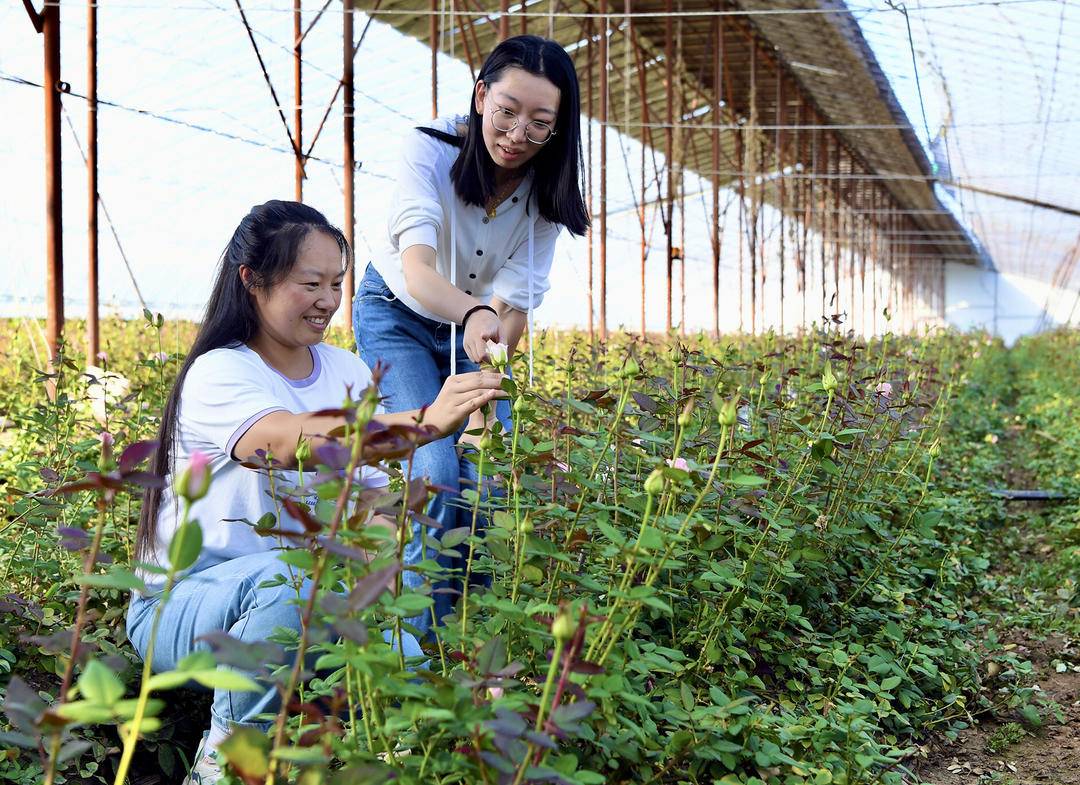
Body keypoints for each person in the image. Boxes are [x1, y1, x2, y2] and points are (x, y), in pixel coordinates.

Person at [127, 200, 504, 784]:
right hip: (181, 609)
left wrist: (386, 608)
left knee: (408, 662)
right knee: (291, 581)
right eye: (311, 283)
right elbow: (284, 442)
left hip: (300, 599)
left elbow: (374, 508)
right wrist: (421, 423)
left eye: (336, 283)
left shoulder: (347, 372)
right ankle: (228, 764)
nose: (329, 300)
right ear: (252, 280)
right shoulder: (220, 371)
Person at [354, 35, 589, 632]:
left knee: (495, 474)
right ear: (481, 96)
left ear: (559, 127)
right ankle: (409, 640)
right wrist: (470, 314)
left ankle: (471, 632)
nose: (517, 134)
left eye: (540, 122)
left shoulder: (546, 193)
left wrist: (486, 386)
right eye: (507, 111)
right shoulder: (428, 149)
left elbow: (511, 310)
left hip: (480, 331)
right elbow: (418, 271)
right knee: (432, 463)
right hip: (400, 314)